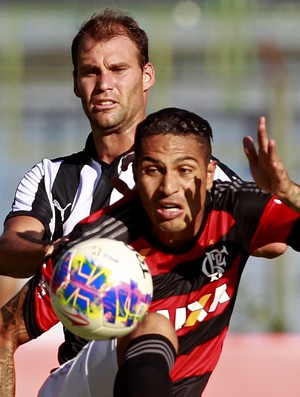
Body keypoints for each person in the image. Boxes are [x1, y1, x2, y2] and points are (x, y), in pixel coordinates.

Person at [0, 8, 286, 397]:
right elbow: (10, 250)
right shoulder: (52, 178)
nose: (104, 85)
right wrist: (67, 254)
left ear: (146, 75)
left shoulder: (203, 174)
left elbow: (271, 242)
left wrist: (278, 195)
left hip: (168, 375)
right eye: (91, 72)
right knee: (147, 322)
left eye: (118, 69)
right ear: (75, 83)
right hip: (85, 373)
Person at [37, 107, 300, 397]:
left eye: (184, 170)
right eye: (153, 170)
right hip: (83, 390)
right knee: (153, 323)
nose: (168, 187)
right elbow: (6, 333)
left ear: (210, 173)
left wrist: (288, 193)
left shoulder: (238, 212)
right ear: (136, 172)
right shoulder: (99, 246)